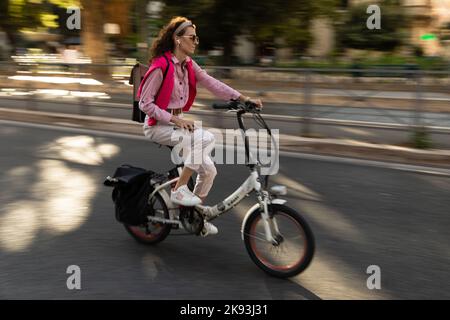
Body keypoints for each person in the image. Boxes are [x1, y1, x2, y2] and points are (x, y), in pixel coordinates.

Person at [138, 17, 262, 236]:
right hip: (158, 126)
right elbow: (145, 104)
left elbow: (212, 83)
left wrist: (244, 98)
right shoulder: (161, 66)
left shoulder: (188, 65)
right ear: (177, 39)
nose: (196, 41)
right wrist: (176, 120)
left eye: (197, 37)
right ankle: (179, 190)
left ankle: (191, 215)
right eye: (192, 37)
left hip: (176, 125)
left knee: (210, 171)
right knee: (205, 138)